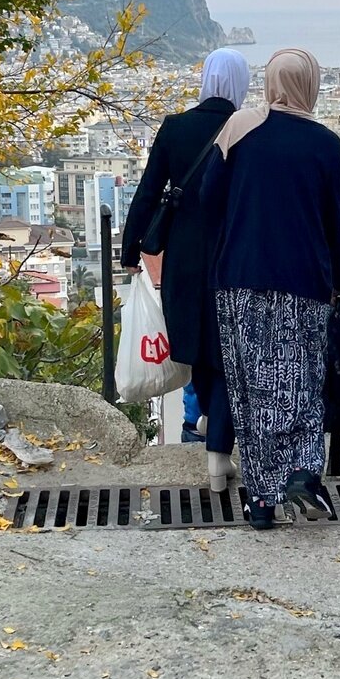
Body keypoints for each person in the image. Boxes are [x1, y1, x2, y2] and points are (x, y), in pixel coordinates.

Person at [203, 48, 340, 530]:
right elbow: (333, 224)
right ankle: (304, 473)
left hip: (242, 275)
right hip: (306, 280)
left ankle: (262, 500)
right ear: (310, 83)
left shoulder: (240, 130)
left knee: (252, 386)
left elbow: (209, 199)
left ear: (270, 82)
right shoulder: (326, 144)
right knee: (303, 380)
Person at [120, 48, 248, 491]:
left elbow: (148, 192)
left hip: (184, 260)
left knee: (195, 346)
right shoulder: (248, 128)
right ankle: (218, 447)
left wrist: (129, 250)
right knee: (228, 349)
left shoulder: (175, 128)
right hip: (235, 257)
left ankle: (213, 437)